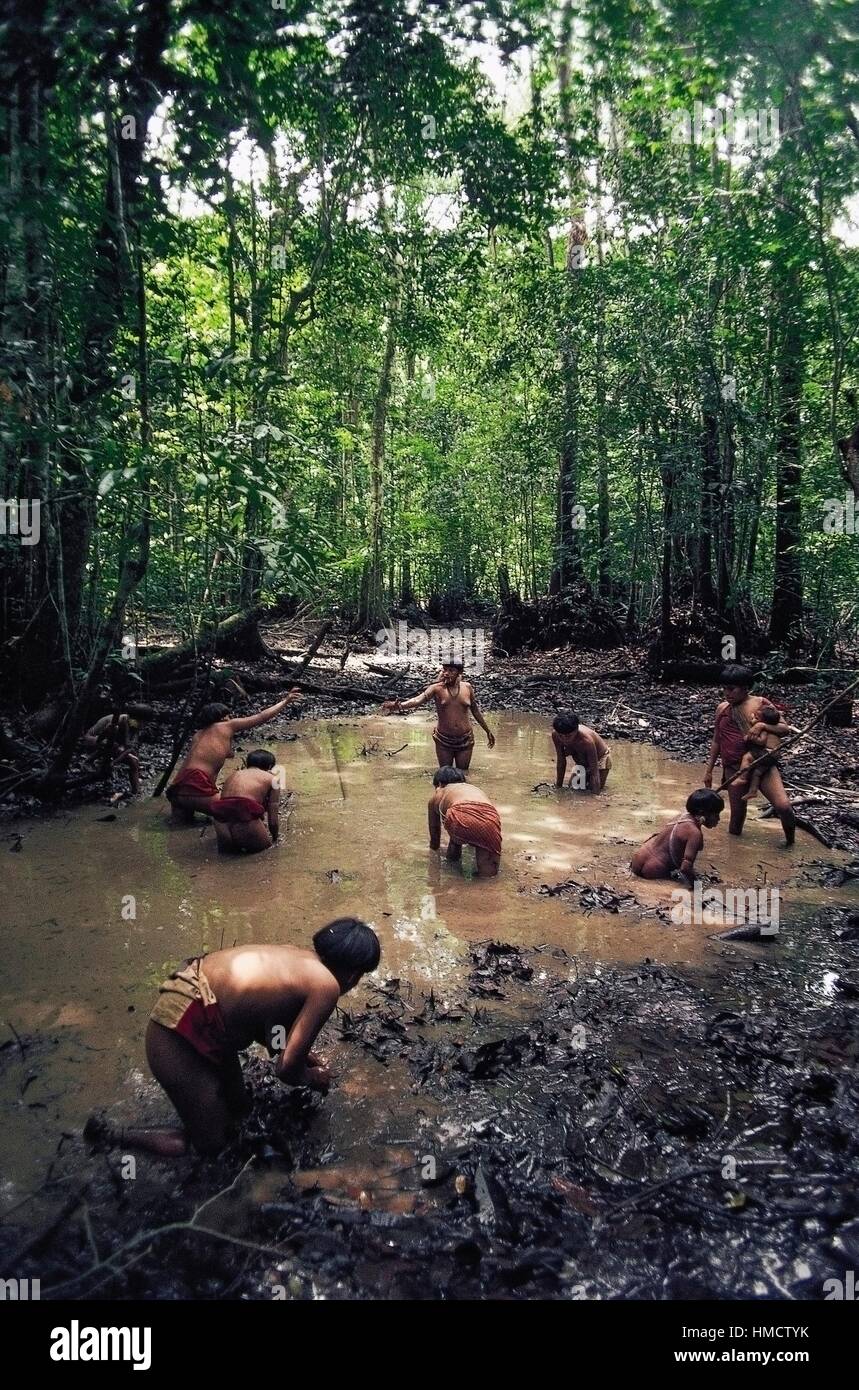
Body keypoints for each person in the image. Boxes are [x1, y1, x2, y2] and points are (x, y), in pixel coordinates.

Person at [84, 920, 381, 1158]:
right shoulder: (326, 985)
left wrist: (305, 1057)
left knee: (240, 1108)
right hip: (177, 1034)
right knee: (211, 1147)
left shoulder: (297, 957)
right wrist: (313, 1078)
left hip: (193, 1012)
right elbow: (286, 1069)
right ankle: (111, 1137)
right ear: (355, 974)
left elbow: (272, 1033)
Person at [166, 690, 301, 820]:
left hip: (177, 789)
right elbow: (261, 717)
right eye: (229, 716)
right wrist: (285, 701)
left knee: (181, 826)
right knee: (240, 813)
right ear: (223, 717)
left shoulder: (198, 735)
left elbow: (219, 758)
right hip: (195, 786)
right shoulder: (226, 726)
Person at [703, 664, 796, 844]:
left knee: (784, 807)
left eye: (731, 689)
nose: (727, 693)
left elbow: (784, 729)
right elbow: (717, 740)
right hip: (733, 767)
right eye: (724, 689)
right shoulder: (722, 708)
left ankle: (790, 843)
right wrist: (708, 770)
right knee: (736, 820)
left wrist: (762, 725)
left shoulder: (761, 704)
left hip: (762, 762)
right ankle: (734, 854)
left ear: (745, 688)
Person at [382, 661, 494, 770]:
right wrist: (399, 705)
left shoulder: (467, 687)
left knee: (463, 774)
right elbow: (417, 700)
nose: (446, 673)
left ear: (459, 673)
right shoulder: (437, 688)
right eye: (444, 670)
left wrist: (487, 731)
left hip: (465, 739)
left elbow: (475, 711)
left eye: (451, 670)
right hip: (443, 740)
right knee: (445, 773)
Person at [630, 789, 724, 886]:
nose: (718, 819)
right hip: (655, 869)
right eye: (716, 815)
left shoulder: (680, 817)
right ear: (702, 813)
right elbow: (685, 868)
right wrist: (697, 887)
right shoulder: (694, 833)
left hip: (638, 859)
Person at [428, 765, 502, 877]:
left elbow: (434, 832)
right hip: (490, 817)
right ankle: (487, 887)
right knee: (488, 873)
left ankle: (454, 869)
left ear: (439, 784)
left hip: (460, 815)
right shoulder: (473, 789)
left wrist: (434, 852)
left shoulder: (440, 792)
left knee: (455, 840)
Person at [210, 750, 281, 854]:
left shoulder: (234, 775)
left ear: (247, 764)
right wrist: (275, 838)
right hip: (244, 815)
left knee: (227, 858)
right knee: (268, 853)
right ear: (270, 767)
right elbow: (273, 820)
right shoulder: (273, 779)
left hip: (220, 820)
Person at [82, 703, 155, 795]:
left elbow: (130, 746)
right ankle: (88, 761)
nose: (143, 725)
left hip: (114, 744)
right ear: (135, 719)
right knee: (114, 743)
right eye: (142, 722)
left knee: (133, 762)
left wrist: (117, 760)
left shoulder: (134, 724)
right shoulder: (120, 721)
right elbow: (104, 738)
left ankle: (136, 792)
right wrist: (117, 757)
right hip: (94, 739)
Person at [738, 709, 799, 802]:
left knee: (747, 757)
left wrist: (750, 738)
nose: (752, 718)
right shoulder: (772, 729)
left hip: (768, 753)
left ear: (762, 721)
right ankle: (753, 791)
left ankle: (742, 778)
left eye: (755, 718)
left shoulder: (764, 729)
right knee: (757, 773)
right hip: (774, 757)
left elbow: (762, 741)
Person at [552, 711, 612, 793]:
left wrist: (595, 798)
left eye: (568, 736)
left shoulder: (586, 741)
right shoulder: (555, 735)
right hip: (581, 761)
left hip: (600, 759)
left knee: (591, 789)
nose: (564, 739)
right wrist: (558, 787)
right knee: (573, 788)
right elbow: (561, 761)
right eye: (561, 736)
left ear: (576, 730)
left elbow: (594, 771)